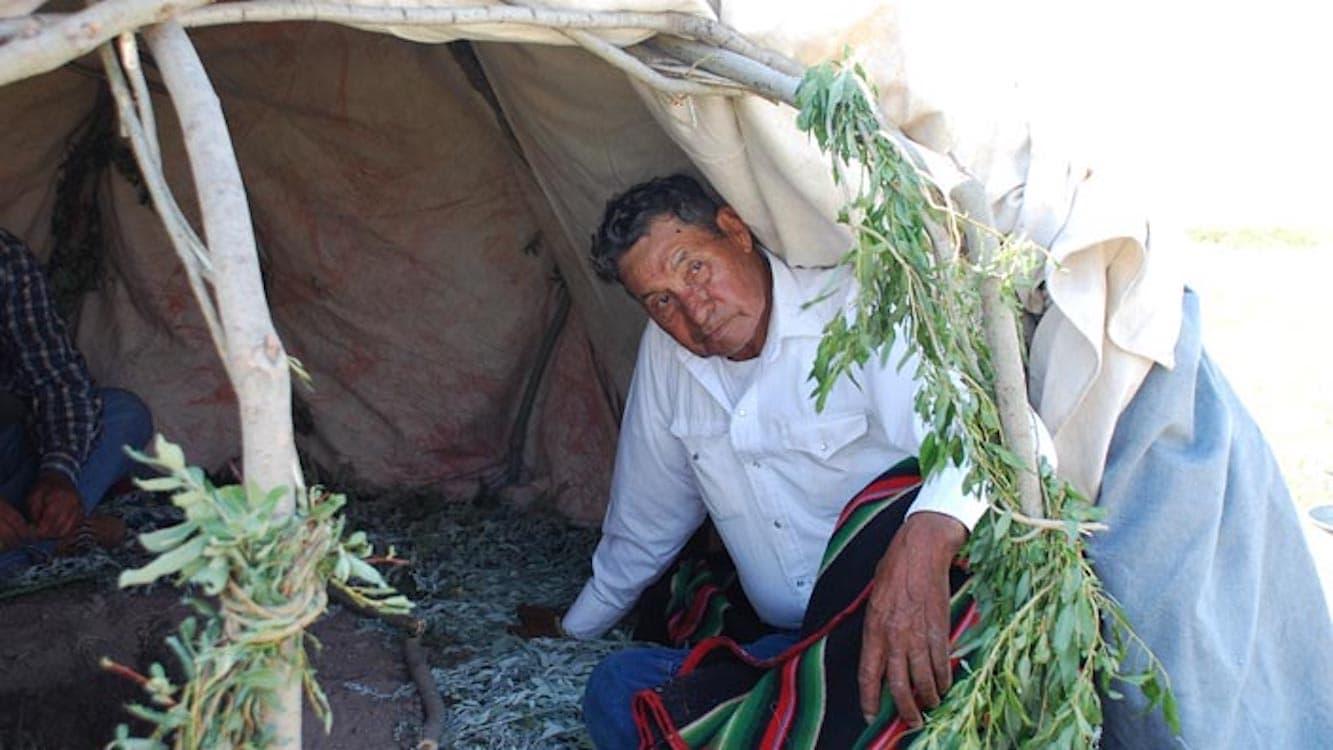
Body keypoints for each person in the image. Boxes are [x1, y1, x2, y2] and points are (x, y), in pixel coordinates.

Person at [541, 175, 988, 748]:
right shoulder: (669, 357)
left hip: (892, 619)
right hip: (789, 648)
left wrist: (926, 539)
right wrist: (572, 629)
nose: (693, 311)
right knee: (619, 687)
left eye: (694, 267)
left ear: (735, 231)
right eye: (661, 301)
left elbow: (986, 441)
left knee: (920, 697)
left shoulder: (851, 308)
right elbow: (644, 523)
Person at [0, 228, 153, 574]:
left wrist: (58, 474)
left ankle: (34, 540)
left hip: (8, 452)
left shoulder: (5, 259)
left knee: (123, 414)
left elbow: (58, 380)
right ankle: (31, 556)